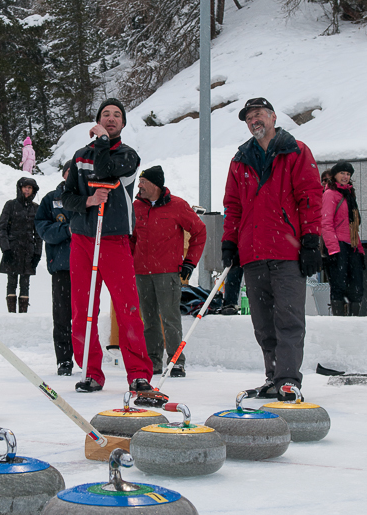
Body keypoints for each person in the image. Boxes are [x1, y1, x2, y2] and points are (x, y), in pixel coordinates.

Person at [222, 97, 322, 401]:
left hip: (287, 253)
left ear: (273, 117)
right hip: (253, 255)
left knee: (289, 319)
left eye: (259, 115)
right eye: (249, 117)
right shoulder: (240, 160)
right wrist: (229, 241)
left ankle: (289, 380)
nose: (255, 121)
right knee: (263, 323)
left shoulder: (295, 151)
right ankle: (274, 376)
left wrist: (310, 240)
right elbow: (233, 206)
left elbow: (310, 197)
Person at [61, 97, 154, 393]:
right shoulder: (79, 157)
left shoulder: (128, 155)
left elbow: (105, 172)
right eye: (106, 114)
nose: (111, 118)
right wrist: (88, 200)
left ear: (123, 123)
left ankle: (138, 373)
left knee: (127, 307)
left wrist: (102, 141)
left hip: (114, 239)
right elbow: (67, 197)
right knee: (82, 309)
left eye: (116, 115)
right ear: (98, 119)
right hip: (83, 239)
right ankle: (90, 370)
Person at [130, 165, 206, 377]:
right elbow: (131, 238)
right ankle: (153, 360)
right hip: (142, 273)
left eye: (143, 182)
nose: (140, 186)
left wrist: (190, 262)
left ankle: (176, 361)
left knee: (171, 318)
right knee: (149, 319)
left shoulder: (178, 206)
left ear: (155, 184)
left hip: (168, 273)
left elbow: (200, 232)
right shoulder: (136, 206)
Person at [35, 161, 73, 375]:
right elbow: (43, 229)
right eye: (69, 171)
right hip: (61, 267)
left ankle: (87, 357)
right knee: (61, 315)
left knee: (87, 316)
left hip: (86, 268)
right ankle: (64, 360)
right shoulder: (51, 199)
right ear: (64, 174)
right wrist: (67, 230)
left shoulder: (90, 198)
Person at [322, 160, 364, 315]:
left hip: (351, 244)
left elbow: (354, 227)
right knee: (339, 285)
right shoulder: (330, 194)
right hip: (338, 244)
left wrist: (360, 250)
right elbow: (326, 223)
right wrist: (333, 250)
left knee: (357, 285)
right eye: (342, 173)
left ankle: (354, 320)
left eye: (348, 174)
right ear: (335, 175)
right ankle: (339, 320)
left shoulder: (349, 195)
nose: (345, 176)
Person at [0, 177, 42, 313]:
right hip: (12, 249)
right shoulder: (10, 205)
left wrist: (38, 253)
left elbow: (38, 233)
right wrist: (6, 249)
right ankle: (11, 315)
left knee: (25, 283)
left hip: (28, 251)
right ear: (20, 188)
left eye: (30, 187)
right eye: (25, 187)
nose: (27, 190)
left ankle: (23, 316)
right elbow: (1, 228)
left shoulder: (36, 208)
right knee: (11, 282)